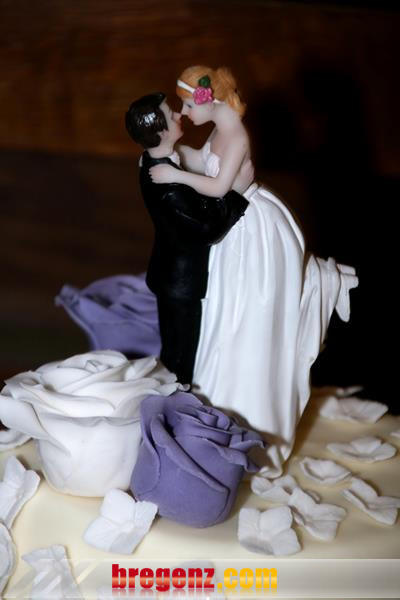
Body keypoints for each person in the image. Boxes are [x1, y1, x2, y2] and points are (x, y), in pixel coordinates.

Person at [150, 67, 358, 476]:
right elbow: (205, 162)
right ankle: (217, 419)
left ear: (209, 100)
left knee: (249, 315)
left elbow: (218, 187)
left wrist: (175, 174)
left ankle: (330, 283)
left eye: (188, 105)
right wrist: (174, 154)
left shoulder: (237, 136)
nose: (185, 112)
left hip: (251, 229)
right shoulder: (219, 129)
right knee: (225, 317)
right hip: (232, 227)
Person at [125, 92, 250, 385]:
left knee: (176, 347)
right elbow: (208, 229)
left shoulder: (151, 160)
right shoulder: (168, 188)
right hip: (182, 282)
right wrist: (236, 193)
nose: (179, 114)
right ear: (161, 133)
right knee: (183, 353)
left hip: (169, 273)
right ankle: (178, 397)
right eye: (171, 115)